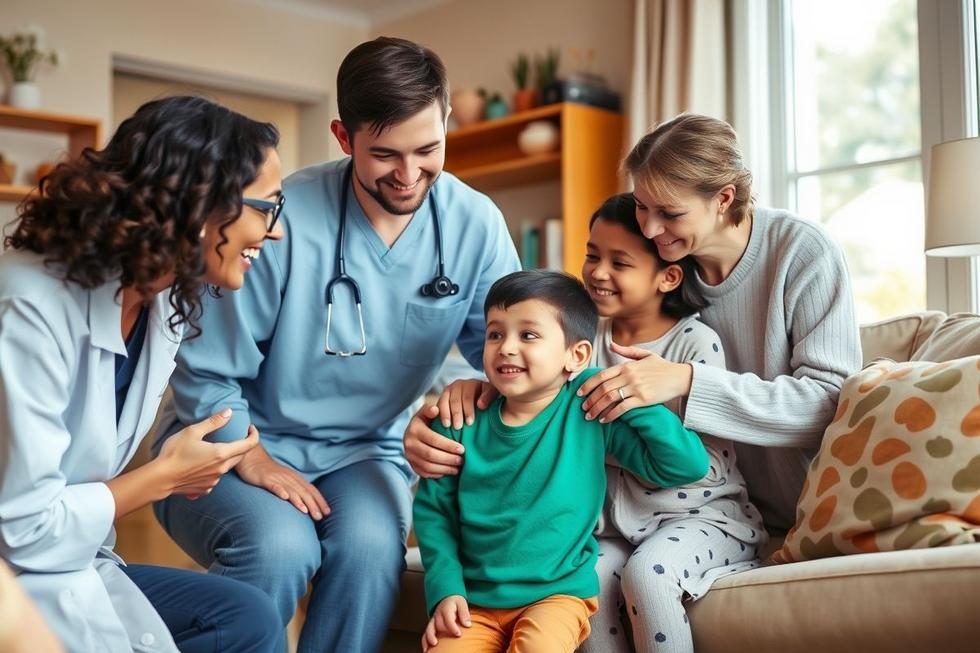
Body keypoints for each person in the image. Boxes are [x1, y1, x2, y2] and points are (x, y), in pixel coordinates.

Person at [403, 113, 861, 649]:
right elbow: (539, 374)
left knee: (646, 576)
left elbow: (832, 403)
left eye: (667, 212)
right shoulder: (641, 284)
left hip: (730, 506)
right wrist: (472, 392)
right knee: (584, 588)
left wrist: (685, 383)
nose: (648, 229)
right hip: (627, 520)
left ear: (724, 199)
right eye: (642, 206)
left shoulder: (797, 256)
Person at [151, 37, 521, 653]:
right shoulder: (281, 216)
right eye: (385, 155)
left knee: (372, 549)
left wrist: (468, 388)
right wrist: (250, 456)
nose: (408, 175)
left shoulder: (475, 224)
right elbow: (207, 368)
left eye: (428, 149)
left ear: (448, 121)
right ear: (344, 138)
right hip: (227, 436)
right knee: (279, 547)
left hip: (364, 452)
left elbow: (509, 353)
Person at [0, 95, 283, 653]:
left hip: (71, 562)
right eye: (266, 208)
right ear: (203, 207)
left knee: (248, 616)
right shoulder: (28, 305)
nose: (274, 233)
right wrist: (165, 477)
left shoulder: (160, 303)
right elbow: (23, 533)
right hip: (17, 575)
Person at [413, 270, 710, 653]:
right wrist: (445, 589)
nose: (505, 347)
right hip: (473, 602)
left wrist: (623, 390)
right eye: (495, 333)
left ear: (578, 355)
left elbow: (685, 466)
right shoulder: (460, 420)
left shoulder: (588, 410)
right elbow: (435, 515)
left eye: (529, 335)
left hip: (556, 596)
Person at [580, 194, 765, 653]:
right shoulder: (581, 342)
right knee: (588, 584)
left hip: (705, 518)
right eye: (591, 255)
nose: (598, 272)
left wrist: (621, 430)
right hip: (615, 528)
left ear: (668, 276)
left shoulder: (695, 343)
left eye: (619, 262)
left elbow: (710, 466)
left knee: (649, 574)